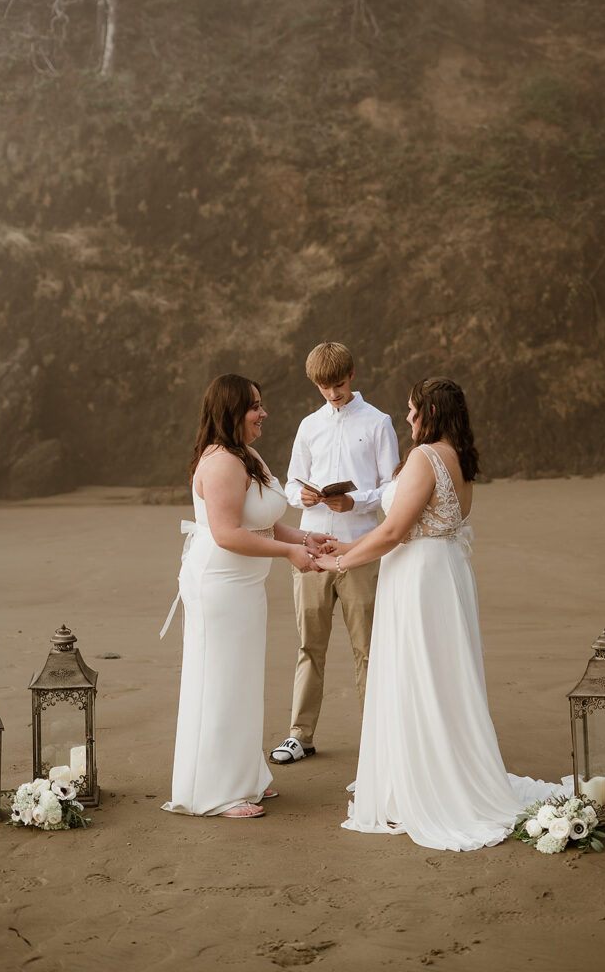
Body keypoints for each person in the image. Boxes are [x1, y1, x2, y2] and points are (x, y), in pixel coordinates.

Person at [316, 377, 570, 850]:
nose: (408, 419)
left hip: (419, 579)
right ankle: (437, 766)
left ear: (431, 413)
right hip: (442, 571)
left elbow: (394, 532)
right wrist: (349, 543)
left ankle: (423, 780)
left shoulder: (425, 457)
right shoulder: (459, 460)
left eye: (414, 411)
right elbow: (414, 526)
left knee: (419, 675)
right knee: (440, 676)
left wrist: (339, 560)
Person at [160, 374, 333, 819]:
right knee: (221, 679)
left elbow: (263, 521)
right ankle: (217, 792)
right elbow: (227, 534)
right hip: (219, 584)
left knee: (242, 679)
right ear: (232, 411)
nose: (264, 413)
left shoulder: (247, 455)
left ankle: (244, 775)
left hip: (245, 586)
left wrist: (305, 537)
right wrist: (290, 554)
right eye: (255, 406)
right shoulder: (219, 463)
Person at [269, 343, 399, 765]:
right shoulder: (309, 425)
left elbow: (392, 489)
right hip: (311, 546)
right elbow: (290, 482)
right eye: (324, 387)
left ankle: (376, 737)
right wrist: (302, 497)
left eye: (338, 385)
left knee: (368, 648)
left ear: (353, 375)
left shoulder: (379, 423)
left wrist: (355, 502)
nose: (332, 394)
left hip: (361, 547)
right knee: (310, 646)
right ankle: (299, 735)